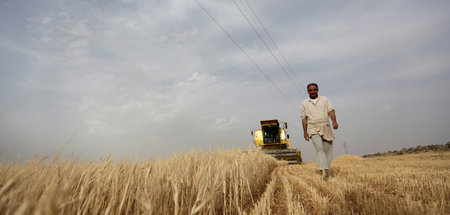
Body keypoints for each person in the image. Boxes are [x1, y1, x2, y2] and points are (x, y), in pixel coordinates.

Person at [301, 83, 338, 181]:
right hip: (313, 128)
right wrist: (305, 132)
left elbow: (331, 111)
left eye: (314, 90)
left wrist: (334, 121)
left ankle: (326, 169)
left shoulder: (325, 99)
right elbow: (304, 118)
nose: (312, 92)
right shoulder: (304, 103)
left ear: (317, 90)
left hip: (326, 126)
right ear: (308, 91)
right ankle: (323, 171)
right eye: (310, 90)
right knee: (319, 148)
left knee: (328, 150)